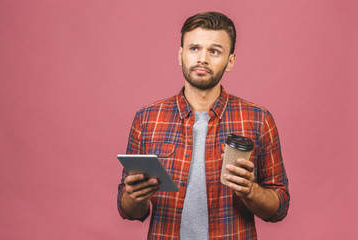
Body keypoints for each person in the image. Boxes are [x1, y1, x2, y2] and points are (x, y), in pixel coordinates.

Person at [117, 11, 289, 239]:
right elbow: (127, 210)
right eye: (194, 48)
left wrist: (251, 191)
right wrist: (137, 197)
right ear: (180, 55)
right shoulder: (147, 119)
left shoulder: (258, 119)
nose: (202, 59)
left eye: (214, 51)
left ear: (230, 61)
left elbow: (280, 207)